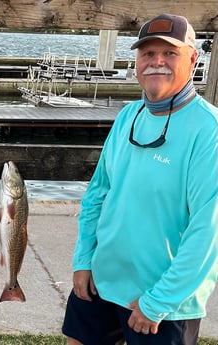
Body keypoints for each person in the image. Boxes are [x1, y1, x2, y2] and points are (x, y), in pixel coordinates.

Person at [62, 14, 218, 345]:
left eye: (169, 53)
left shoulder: (209, 131)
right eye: (147, 54)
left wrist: (158, 302)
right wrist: (83, 260)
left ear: (193, 58)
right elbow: (96, 195)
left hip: (162, 301)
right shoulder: (127, 116)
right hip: (101, 281)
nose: (156, 62)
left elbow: (207, 233)